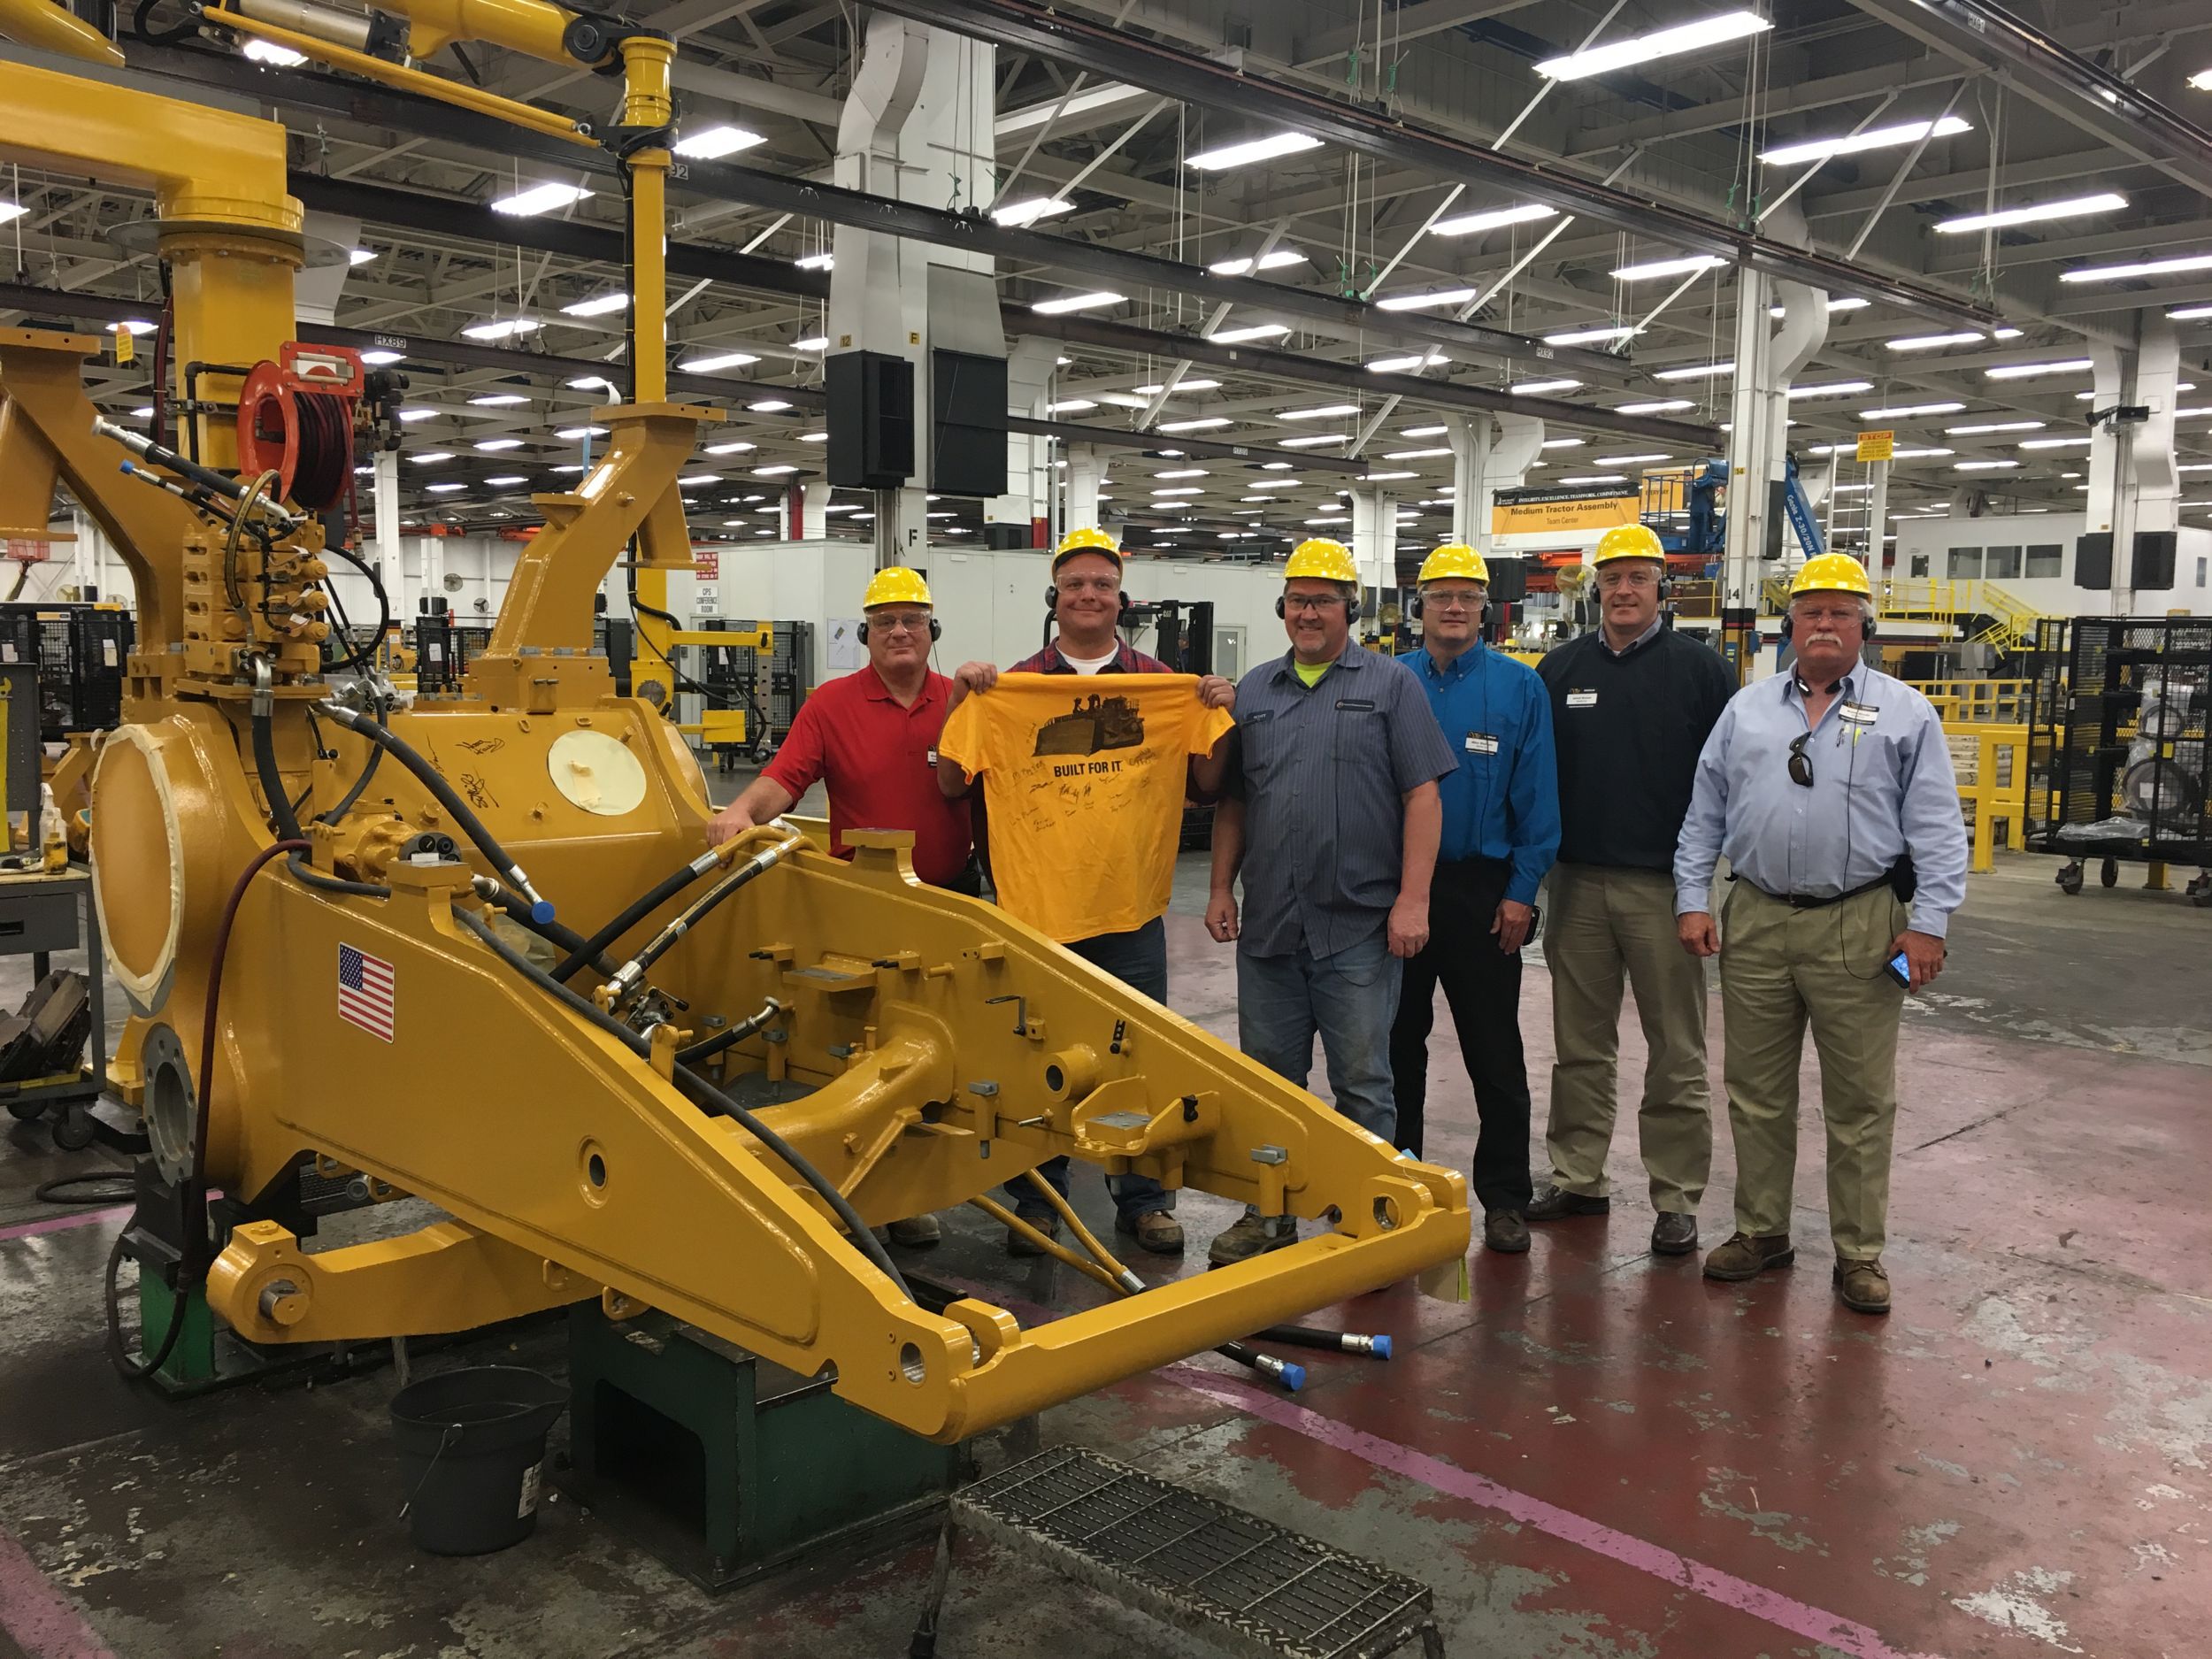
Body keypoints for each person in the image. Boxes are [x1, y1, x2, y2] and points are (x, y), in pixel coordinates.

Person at [1674, 553, 1968, 1315]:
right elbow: (1705, 809)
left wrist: (1928, 923)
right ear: (1791, 625)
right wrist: (1692, 898)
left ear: (1863, 624)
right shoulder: (1746, 711)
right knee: (1756, 1092)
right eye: (1812, 612)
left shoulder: (1906, 713)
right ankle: (1762, 1230)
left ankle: (1859, 1252)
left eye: (1841, 612)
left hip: (1862, 923)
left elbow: (1937, 827)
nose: (1826, 624)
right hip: (1759, 917)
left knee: (1861, 1100)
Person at [937, 526, 1236, 1257]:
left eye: (1102, 584)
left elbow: (1209, 782)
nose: (1089, 595)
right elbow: (950, 780)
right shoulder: (1011, 687)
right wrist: (961, 696)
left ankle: (1144, 1200)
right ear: (1056, 598)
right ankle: (1038, 1201)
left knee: (1137, 1058)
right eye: (1075, 584)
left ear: (1120, 599)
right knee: (1033, 1059)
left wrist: (1216, 706)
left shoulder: (1162, 684)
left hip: (1130, 907)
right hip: (1035, 911)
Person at [707, 565, 975, 1249]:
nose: (899, 632)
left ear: (931, 629)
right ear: (867, 634)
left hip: (950, 904)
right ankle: (874, 1195)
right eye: (885, 622)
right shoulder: (831, 705)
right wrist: (740, 811)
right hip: (866, 911)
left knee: (950, 1059)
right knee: (873, 1057)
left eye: (912, 619)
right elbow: (784, 779)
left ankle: (918, 1184)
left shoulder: (960, 701)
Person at [1205, 538, 1456, 1265]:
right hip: (1272, 927)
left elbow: (1423, 794)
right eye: (1297, 600)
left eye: (1323, 599)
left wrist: (1415, 900)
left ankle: (1370, 1212)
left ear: (1351, 606)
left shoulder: (1389, 686)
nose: (1308, 612)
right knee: (1268, 1084)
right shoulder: (1253, 691)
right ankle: (1267, 1213)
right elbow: (1234, 802)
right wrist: (1221, 886)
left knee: (1364, 1082)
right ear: (1281, 609)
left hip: (1358, 926)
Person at [1530, 524, 1735, 1258]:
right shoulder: (1557, 671)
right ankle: (1578, 1176)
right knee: (1578, 1045)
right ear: (1597, 589)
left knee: (1675, 1050)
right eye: (1612, 579)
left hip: (1665, 889)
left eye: (1638, 579)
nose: (1623, 591)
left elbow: (1725, 789)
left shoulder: (1703, 673)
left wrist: (1701, 891)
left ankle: (1676, 1196)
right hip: (1576, 884)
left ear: (1660, 591)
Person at [1385, 543, 1560, 1256]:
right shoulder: (1390, 681)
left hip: (1484, 895)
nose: (1452, 607)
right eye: (1439, 595)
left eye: (1466, 596)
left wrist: (1522, 891)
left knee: (1495, 1052)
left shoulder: (1521, 688)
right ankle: (1403, 1185)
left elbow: (1539, 798)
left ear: (1487, 608)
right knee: (1396, 1048)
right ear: (1418, 606)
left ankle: (1506, 1197)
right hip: (1399, 892)